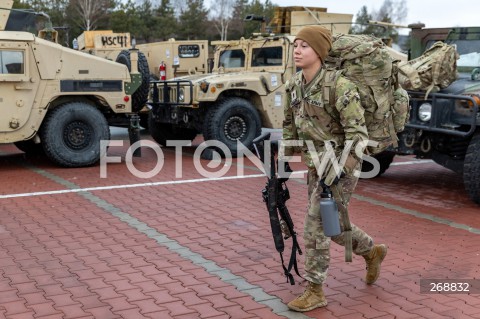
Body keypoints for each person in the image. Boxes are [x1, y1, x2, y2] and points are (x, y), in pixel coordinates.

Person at [280, 25, 388, 312]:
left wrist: (340, 170)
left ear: (320, 51)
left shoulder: (340, 86)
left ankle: (315, 290)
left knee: (315, 224)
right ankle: (372, 251)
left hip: (341, 164)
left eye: (305, 45)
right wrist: (282, 162)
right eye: (296, 45)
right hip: (316, 163)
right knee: (334, 228)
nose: (298, 50)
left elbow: (358, 136)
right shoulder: (294, 84)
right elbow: (289, 126)